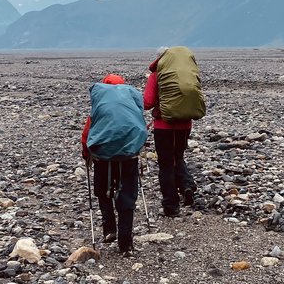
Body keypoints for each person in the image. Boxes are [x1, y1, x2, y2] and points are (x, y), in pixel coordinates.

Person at [81, 74, 143, 255]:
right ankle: (126, 244)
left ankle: (109, 229)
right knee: (127, 196)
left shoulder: (101, 106)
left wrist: (87, 154)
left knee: (103, 191)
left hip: (103, 155)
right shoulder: (130, 103)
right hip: (128, 156)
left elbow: (87, 133)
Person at [144, 48, 198, 216]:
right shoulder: (187, 73)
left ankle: (171, 206)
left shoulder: (157, 75)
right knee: (178, 156)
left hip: (163, 126)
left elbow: (147, 102)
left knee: (166, 164)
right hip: (185, 125)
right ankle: (187, 185)